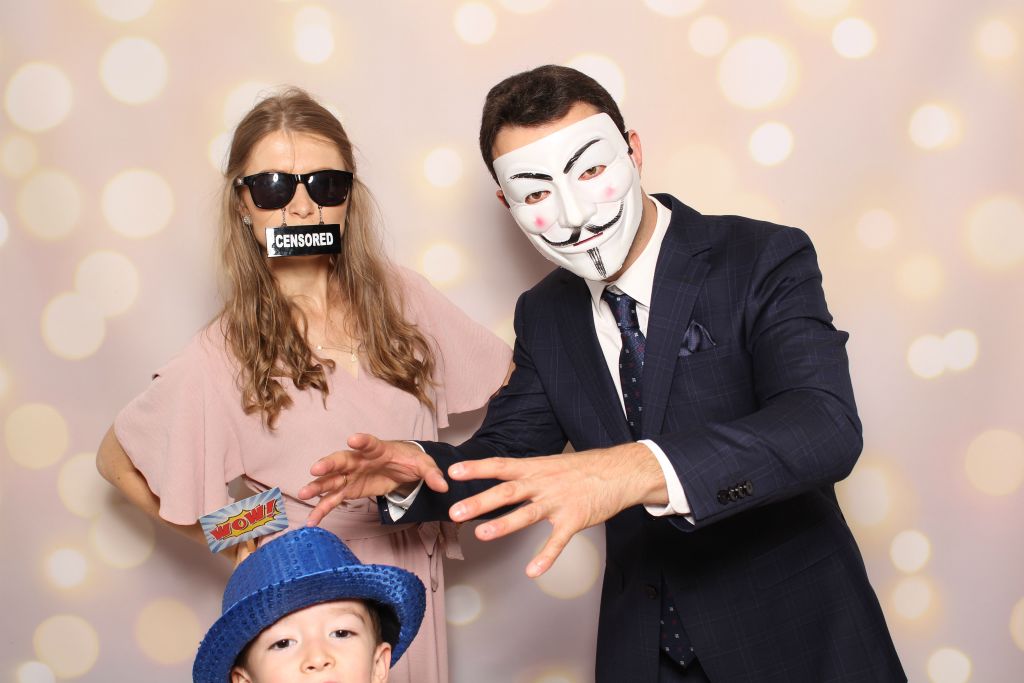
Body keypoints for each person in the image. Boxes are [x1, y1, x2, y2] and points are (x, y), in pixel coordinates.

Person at [299, 66, 907, 682]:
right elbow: (509, 450)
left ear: (633, 151)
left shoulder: (761, 257)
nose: (573, 213)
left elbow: (822, 426)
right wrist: (415, 474)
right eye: (536, 194)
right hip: (644, 653)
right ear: (507, 203)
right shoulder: (544, 314)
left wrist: (635, 469)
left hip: (796, 643)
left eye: (590, 172)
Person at [95, 87, 511, 683]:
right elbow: (116, 460)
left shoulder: (402, 298)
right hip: (311, 605)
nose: (300, 207)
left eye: (325, 185)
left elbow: (516, 391)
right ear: (243, 203)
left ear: (348, 198)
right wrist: (244, 533)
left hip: (410, 574)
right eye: (273, 187)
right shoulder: (219, 355)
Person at [192, 526, 425, 683]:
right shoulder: (268, 508)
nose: (317, 658)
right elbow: (179, 509)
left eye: (341, 633)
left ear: (378, 666)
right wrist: (244, 534)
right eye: (283, 643)